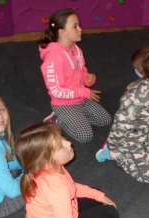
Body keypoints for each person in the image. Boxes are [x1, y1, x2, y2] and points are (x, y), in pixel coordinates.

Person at [15, 123, 119, 218]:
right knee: (110, 214)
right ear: (45, 162)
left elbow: (72, 187)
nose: (68, 142)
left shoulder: (49, 170)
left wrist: (97, 195)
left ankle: (37, 217)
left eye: (62, 138)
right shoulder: (57, 189)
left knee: (94, 194)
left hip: (55, 210)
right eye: (60, 146)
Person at [95, 46, 149, 183]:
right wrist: (112, 146)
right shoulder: (138, 96)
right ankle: (115, 154)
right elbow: (120, 124)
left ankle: (142, 150)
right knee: (148, 178)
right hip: (129, 139)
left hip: (144, 133)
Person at [38, 8, 111, 143]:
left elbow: (82, 70)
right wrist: (84, 92)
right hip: (64, 103)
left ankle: (75, 118)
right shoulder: (53, 58)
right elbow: (56, 91)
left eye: (79, 25)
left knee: (105, 120)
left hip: (80, 97)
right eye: (75, 26)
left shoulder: (76, 49)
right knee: (85, 136)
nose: (80, 29)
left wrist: (87, 78)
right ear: (62, 32)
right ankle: (59, 120)